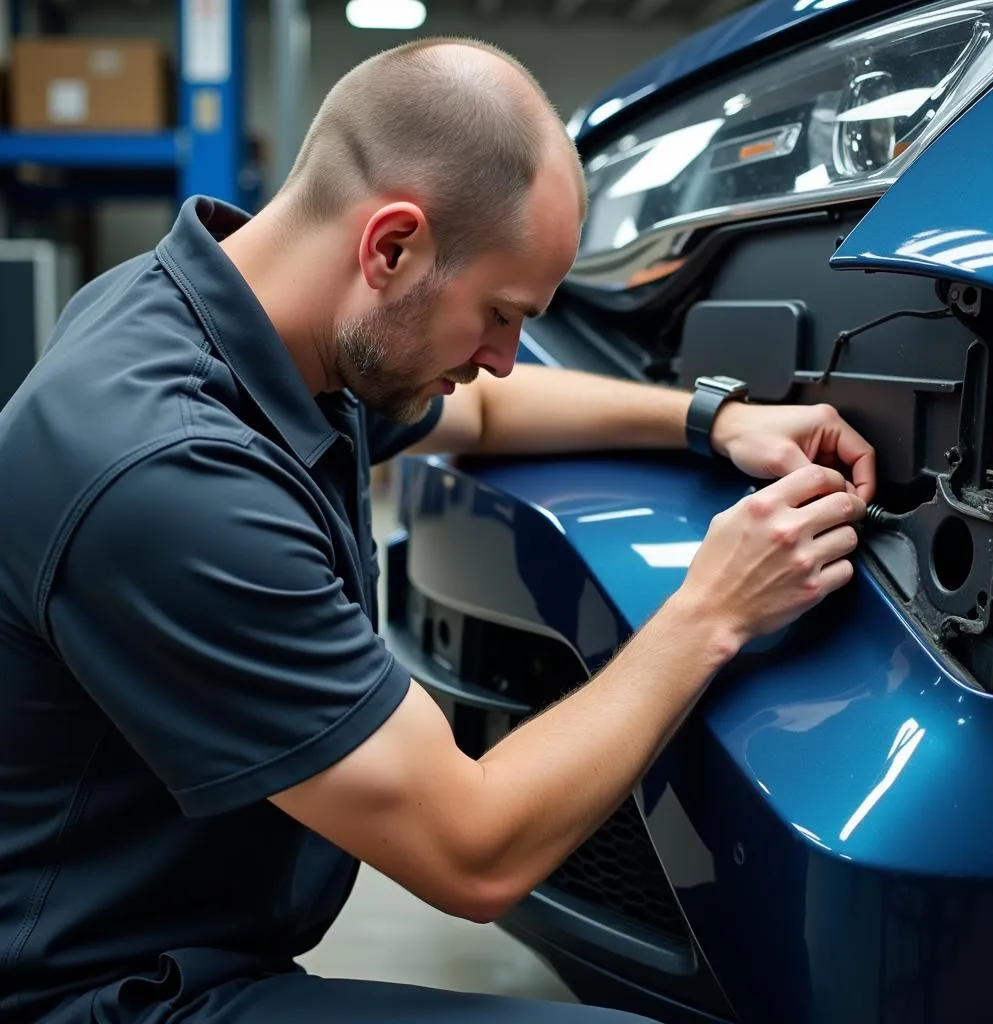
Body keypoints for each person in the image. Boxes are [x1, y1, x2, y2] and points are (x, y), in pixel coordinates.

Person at [0, 36, 875, 1024]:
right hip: (96, 996)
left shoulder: (251, 327)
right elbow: (474, 848)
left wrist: (712, 417)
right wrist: (713, 607)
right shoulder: (170, 473)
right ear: (391, 247)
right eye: (498, 315)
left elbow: (491, 415)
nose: (502, 358)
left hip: (186, 941)